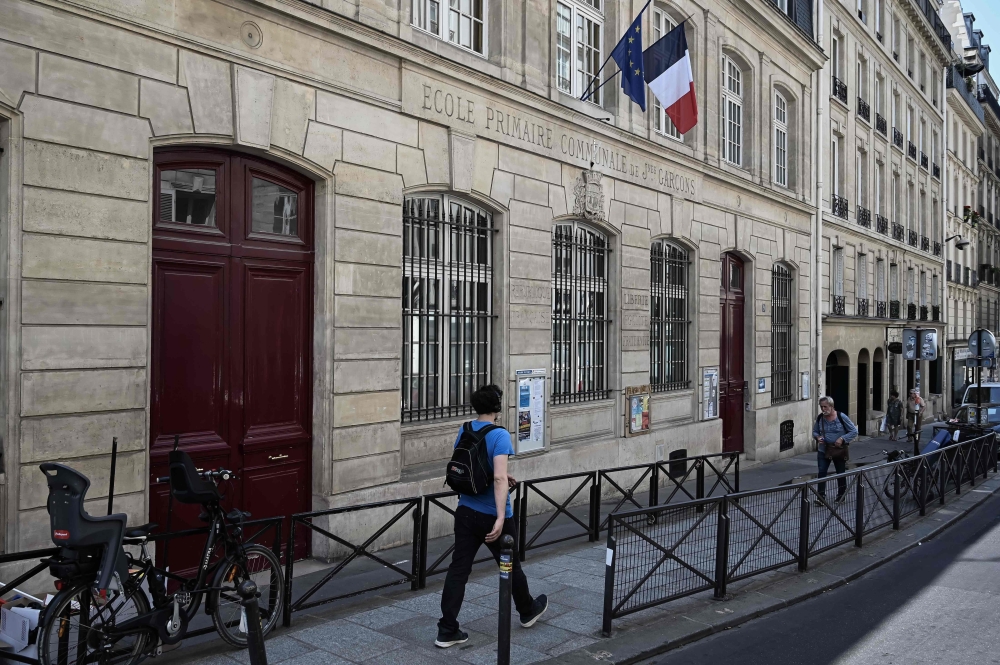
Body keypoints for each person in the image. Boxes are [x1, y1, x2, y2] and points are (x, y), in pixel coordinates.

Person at [436, 385, 547, 648]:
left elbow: (471, 466)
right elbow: (498, 477)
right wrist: (499, 517)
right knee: (511, 565)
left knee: (458, 570)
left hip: (465, 512)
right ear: (497, 407)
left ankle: (447, 629)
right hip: (491, 516)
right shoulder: (500, 435)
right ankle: (527, 610)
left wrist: (500, 476)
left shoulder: (465, 428)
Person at [812, 396, 858, 505]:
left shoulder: (841, 417)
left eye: (825, 407)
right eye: (821, 407)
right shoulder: (820, 418)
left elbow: (854, 431)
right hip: (824, 449)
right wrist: (817, 437)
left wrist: (842, 439)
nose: (823, 409)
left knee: (840, 472)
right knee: (822, 472)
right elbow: (815, 431)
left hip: (838, 450)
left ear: (831, 406)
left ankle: (841, 496)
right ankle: (820, 497)